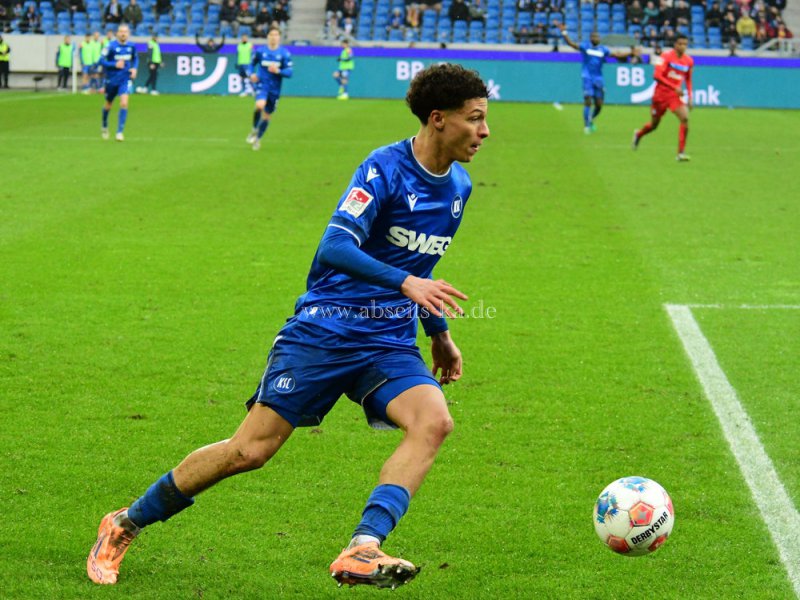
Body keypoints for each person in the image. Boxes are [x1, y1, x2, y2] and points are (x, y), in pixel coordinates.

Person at [86, 62, 490, 590]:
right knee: (249, 451)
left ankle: (363, 546)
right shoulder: (384, 170)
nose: (484, 132)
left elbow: (424, 268)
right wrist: (405, 285)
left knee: (434, 422)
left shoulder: (458, 186)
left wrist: (439, 333)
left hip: (387, 338)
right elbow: (335, 247)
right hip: (325, 329)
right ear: (438, 119)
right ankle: (124, 523)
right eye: (475, 119)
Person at [558, 25, 637, 134]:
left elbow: (616, 55)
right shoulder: (585, 47)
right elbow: (571, 44)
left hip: (598, 78)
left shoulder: (603, 49)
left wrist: (630, 53)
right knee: (588, 101)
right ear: (590, 38)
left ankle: (590, 119)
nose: (596, 38)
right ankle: (586, 126)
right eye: (594, 36)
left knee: (599, 105)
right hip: (587, 77)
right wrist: (564, 33)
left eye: (598, 37)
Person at [632, 33, 693, 161]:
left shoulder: (689, 61)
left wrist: (690, 96)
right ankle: (639, 134)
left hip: (674, 97)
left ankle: (680, 153)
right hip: (660, 96)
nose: (683, 47)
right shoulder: (665, 57)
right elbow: (657, 76)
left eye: (685, 44)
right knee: (654, 125)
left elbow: (688, 79)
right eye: (680, 44)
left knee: (685, 118)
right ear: (675, 45)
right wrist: (674, 86)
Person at [245, 25, 292, 151]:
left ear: (279, 37)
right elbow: (251, 64)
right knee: (260, 105)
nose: (274, 37)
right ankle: (254, 128)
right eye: (271, 35)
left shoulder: (284, 54)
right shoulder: (260, 51)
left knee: (267, 116)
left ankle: (257, 139)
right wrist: (251, 74)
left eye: (276, 35)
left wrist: (278, 70)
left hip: (275, 89)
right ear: (267, 37)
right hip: (262, 84)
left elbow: (289, 72)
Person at [98, 23, 138, 141]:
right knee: (108, 105)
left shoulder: (132, 46)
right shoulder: (110, 46)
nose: (123, 34)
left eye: (125, 31)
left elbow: (135, 58)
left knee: (124, 103)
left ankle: (119, 132)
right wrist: (114, 64)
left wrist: (134, 68)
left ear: (129, 34)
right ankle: (104, 125)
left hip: (125, 79)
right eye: (121, 31)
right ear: (117, 33)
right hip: (111, 80)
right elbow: (100, 60)